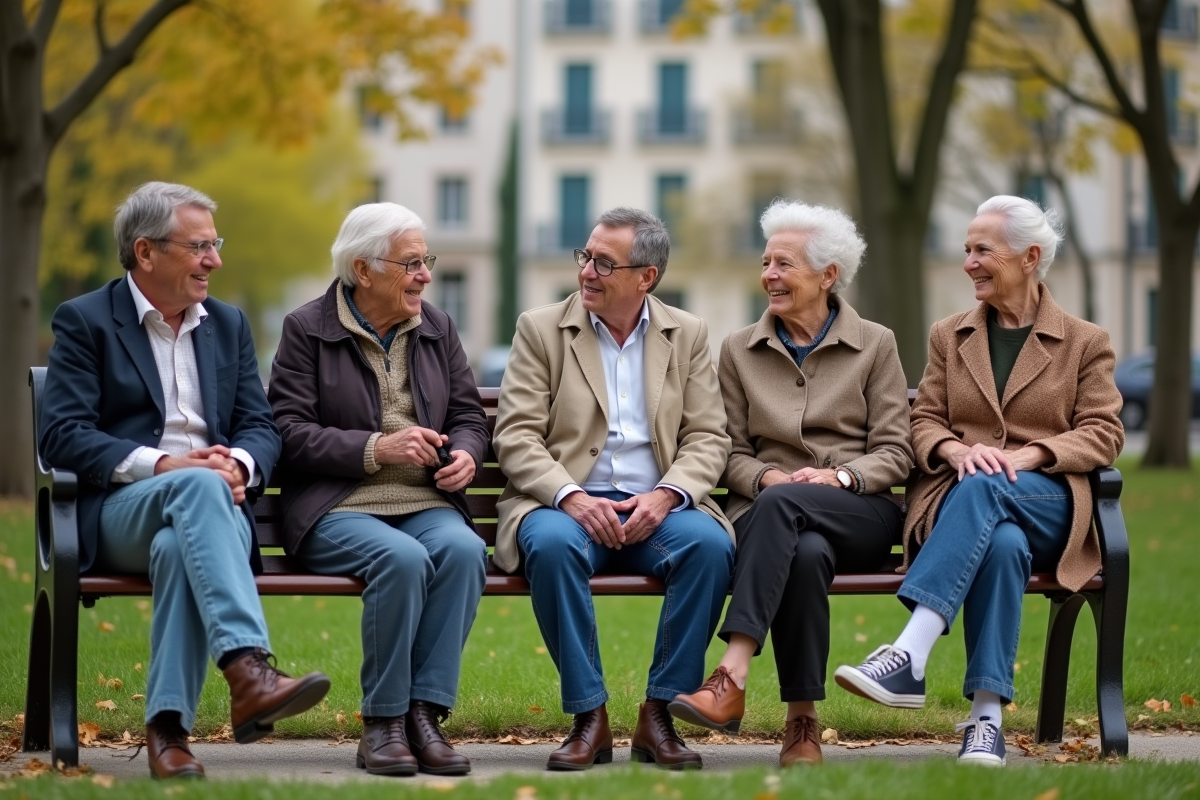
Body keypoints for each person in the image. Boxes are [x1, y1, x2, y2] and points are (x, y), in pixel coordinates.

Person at [39, 182, 330, 780]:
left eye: (214, 245)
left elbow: (259, 424)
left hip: (207, 517)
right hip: (122, 511)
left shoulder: (226, 324)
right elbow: (61, 435)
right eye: (199, 247)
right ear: (146, 253)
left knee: (182, 541)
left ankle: (168, 732)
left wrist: (240, 465)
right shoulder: (86, 320)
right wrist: (166, 464)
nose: (214, 261)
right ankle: (249, 670)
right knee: (193, 488)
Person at [834, 196, 1124, 766]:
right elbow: (923, 420)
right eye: (966, 250)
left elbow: (1102, 432)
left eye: (982, 250)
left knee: (993, 486)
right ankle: (986, 722)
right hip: (968, 506)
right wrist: (953, 449)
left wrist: (1031, 456)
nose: (969, 262)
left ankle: (910, 653)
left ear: (1029, 257)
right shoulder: (951, 334)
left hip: (1051, 504)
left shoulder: (1085, 341)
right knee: (1001, 541)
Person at [668, 200, 913, 767]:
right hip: (767, 514)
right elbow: (726, 451)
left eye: (784, 264)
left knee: (792, 512)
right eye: (766, 262)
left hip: (860, 512)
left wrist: (841, 475)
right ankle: (802, 723)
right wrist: (769, 476)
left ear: (828, 276)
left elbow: (896, 452)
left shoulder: (875, 344)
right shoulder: (737, 350)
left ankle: (731, 673)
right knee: (802, 550)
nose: (769, 276)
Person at [494, 208, 734, 771]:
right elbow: (516, 435)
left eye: (605, 262)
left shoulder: (688, 333)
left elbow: (707, 437)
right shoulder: (541, 327)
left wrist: (668, 495)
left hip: (659, 509)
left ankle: (659, 716)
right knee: (550, 547)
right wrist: (572, 497)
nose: (587, 271)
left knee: (710, 546)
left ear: (646, 277)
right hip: (566, 505)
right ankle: (589, 718)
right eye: (586, 256)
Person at [268, 203, 489, 777]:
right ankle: (383, 724)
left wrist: (466, 452)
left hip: (423, 499)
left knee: (464, 550)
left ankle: (424, 716)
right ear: (363, 270)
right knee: (402, 559)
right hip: (335, 504)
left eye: (426, 261)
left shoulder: (437, 327)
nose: (425, 275)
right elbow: (287, 434)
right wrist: (375, 448)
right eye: (411, 263)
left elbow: (469, 414)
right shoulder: (306, 329)